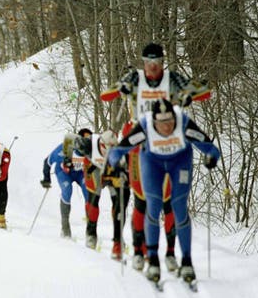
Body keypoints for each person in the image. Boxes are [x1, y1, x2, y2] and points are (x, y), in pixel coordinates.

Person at [101, 42, 211, 271]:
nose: (152, 67)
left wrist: (189, 94)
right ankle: (140, 250)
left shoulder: (172, 78)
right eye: (148, 62)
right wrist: (120, 88)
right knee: (142, 198)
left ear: (163, 62)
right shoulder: (135, 78)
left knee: (171, 199)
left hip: (169, 142)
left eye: (157, 62)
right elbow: (105, 95)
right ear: (143, 62)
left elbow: (204, 92)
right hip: (139, 143)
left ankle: (170, 252)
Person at [107, 98, 220, 284]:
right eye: (161, 123)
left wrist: (211, 157)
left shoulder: (183, 122)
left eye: (169, 122)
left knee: (179, 206)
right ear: (154, 121)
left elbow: (208, 145)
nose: (167, 127)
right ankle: (152, 260)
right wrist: (116, 161)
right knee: (153, 203)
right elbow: (119, 150)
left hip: (180, 162)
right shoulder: (145, 126)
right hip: (152, 163)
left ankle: (186, 261)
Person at [77, 130, 130, 260]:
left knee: (118, 201)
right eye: (108, 148)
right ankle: (91, 233)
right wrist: (71, 156)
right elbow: (71, 142)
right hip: (93, 167)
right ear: (102, 144)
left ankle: (118, 237)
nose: (110, 150)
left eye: (113, 148)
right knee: (94, 197)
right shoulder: (90, 142)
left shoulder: (120, 150)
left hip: (111, 170)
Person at [40, 132, 88, 238]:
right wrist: (46, 179)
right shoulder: (60, 150)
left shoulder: (87, 148)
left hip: (80, 173)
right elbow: (47, 162)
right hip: (64, 173)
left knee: (88, 191)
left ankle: (91, 230)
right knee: (67, 191)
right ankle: (65, 227)